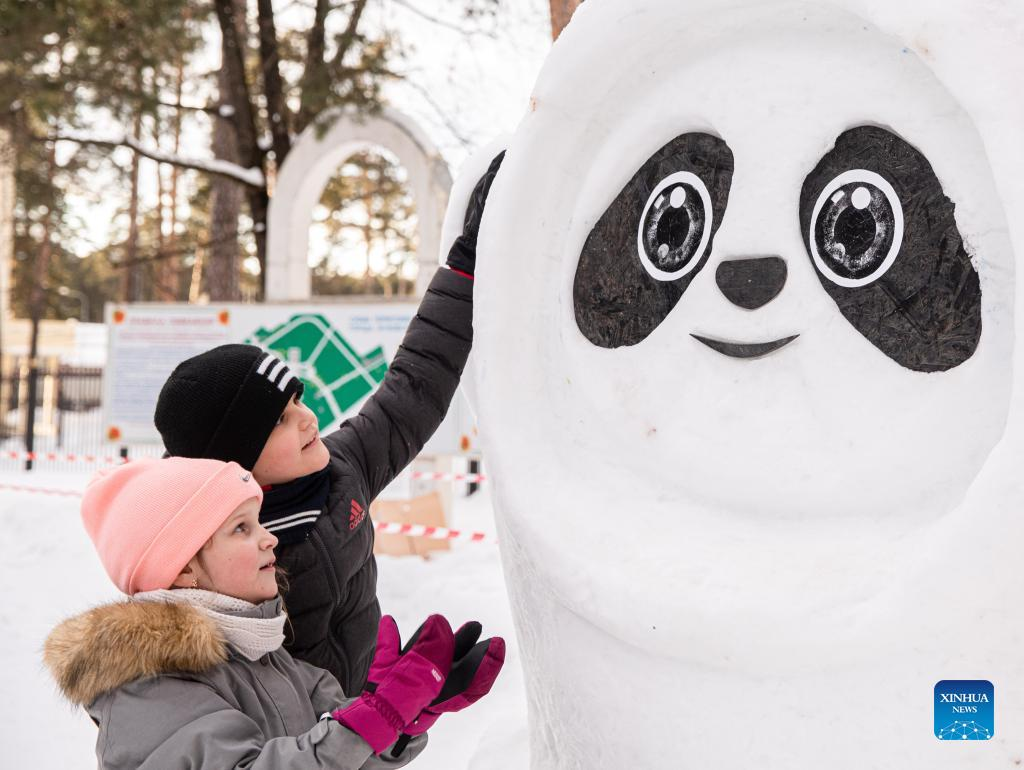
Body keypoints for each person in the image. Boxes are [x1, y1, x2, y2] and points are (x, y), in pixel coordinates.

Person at [151, 153, 505, 696]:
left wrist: (465, 268)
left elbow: (414, 385)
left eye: (298, 400)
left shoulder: (342, 469)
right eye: (281, 421)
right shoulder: (220, 566)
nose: (307, 417)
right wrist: (384, 715)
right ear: (236, 462)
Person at [43, 457, 458, 769]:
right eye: (242, 528)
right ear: (183, 567)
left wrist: (399, 719)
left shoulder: (265, 656)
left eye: (258, 522)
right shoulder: (145, 683)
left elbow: (341, 755)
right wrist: (366, 723)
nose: (269, 539)